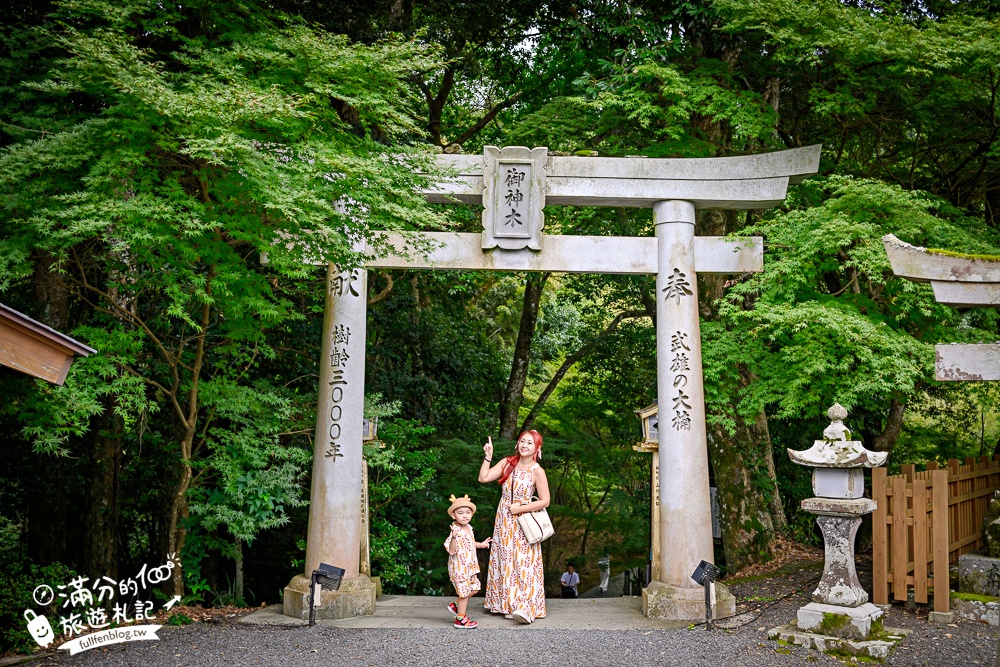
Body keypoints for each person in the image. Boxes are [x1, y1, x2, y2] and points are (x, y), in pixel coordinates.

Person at [478, 430, 550, 624]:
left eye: (530, 443)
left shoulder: (537, 471)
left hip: (523, 520)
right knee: (505, 559)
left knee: (523, 562)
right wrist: (488, 457)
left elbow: (545, 501)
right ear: (517, 443)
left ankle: (525, 606)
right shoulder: (507, 463)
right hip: (504, 518)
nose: (525, 445)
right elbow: (483, 478)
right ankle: (506, 604)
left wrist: (521, 507)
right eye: (522, 441)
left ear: (537, 448)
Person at [444, 494, 492, 629]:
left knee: (475, 588)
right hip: (459, 569)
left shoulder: (468, 528)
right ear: (454, 516)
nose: (464, 516)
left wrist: (481, 544)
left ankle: (457, 605)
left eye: (468, 512)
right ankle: (460, 619)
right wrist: (453, 537)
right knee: (464, 593)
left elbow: (469, 543)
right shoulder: (456, 531)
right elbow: (452, 550)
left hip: (470, 567)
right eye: (460, 513)